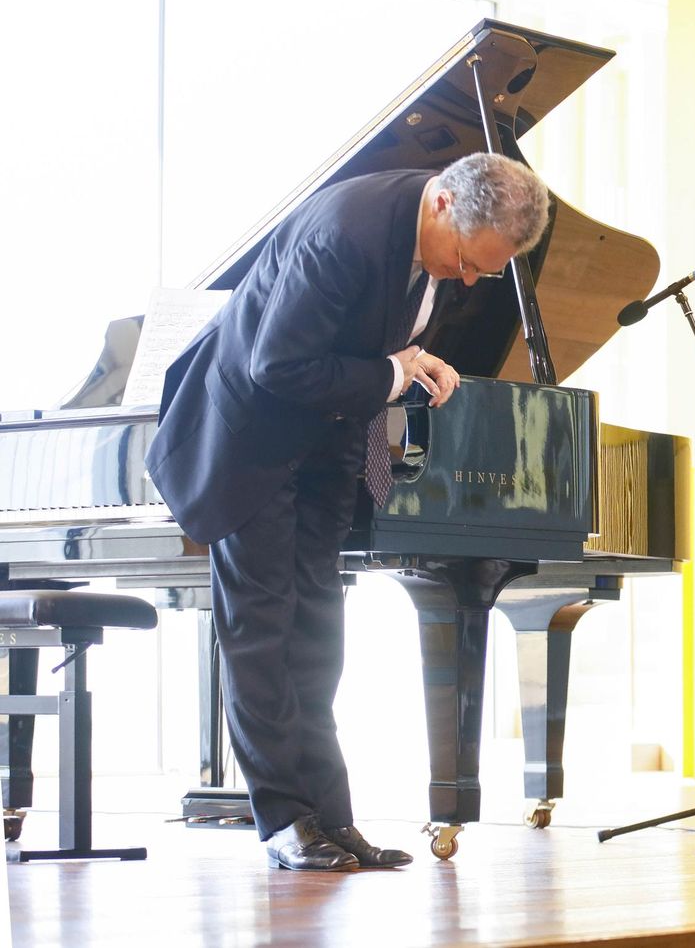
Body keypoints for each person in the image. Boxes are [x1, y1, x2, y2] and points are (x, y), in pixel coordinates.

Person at [147, 152, 550, 871]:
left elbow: (363, 342)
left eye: (483, 274)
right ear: (442, 204)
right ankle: (283, 822)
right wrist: (393, 372)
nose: (466, 280)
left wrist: (413, 361)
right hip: (251, 443)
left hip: (323, 447)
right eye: (466, 261)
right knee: (262, 639)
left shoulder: (437, 242)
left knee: (317, 638)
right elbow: (277, 365)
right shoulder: (343, 235)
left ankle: (331, 819)